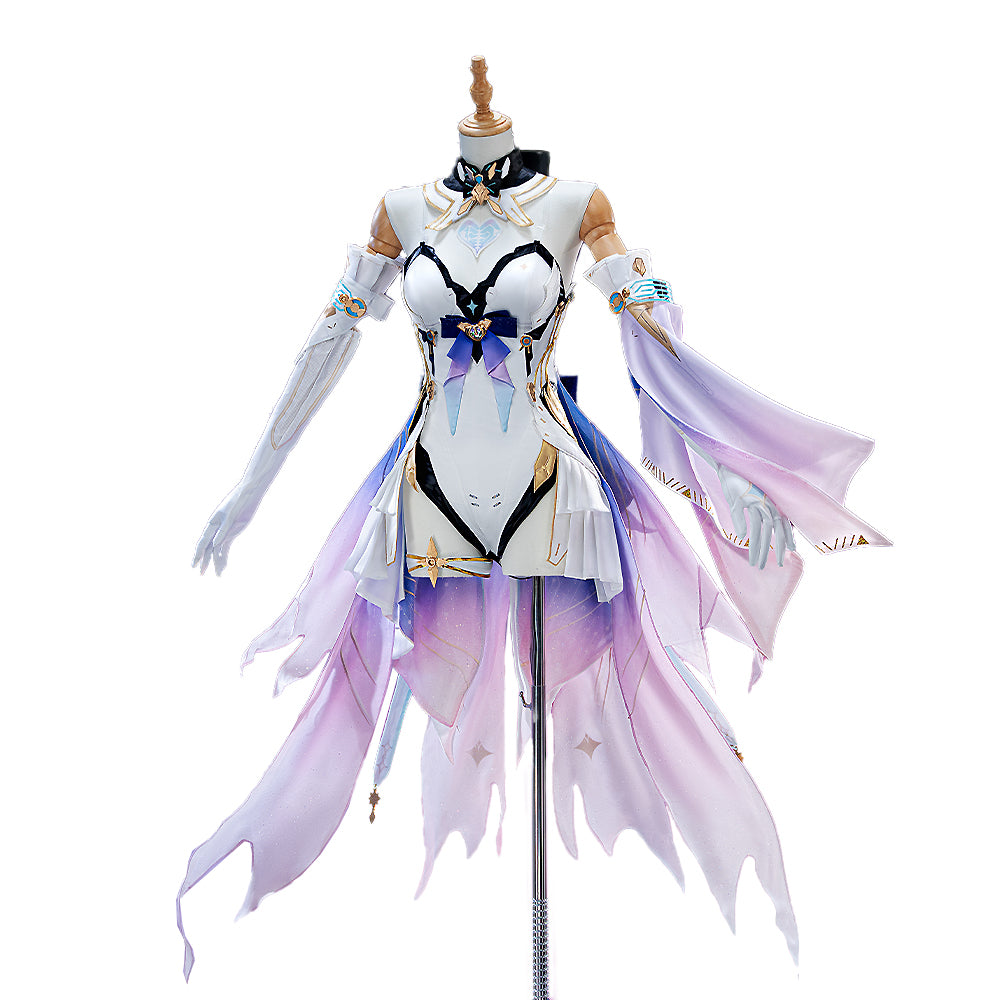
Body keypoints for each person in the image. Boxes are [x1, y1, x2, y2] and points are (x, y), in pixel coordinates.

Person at [179, 57, 888, 982]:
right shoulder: (402, 209)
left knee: (598, 708)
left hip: (552, 497)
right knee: (408, 704)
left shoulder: (575, 203)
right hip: (426, 499)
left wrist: (727, 477)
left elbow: (660, 349)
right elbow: (327, 344)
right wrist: (246, 490)